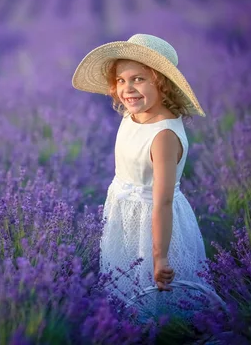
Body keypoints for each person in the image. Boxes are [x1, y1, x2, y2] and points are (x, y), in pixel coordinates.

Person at [71, 33, 213, 323]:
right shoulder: (132, 116)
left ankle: (171, 331)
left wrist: (160, 256)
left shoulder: (163, 135)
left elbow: (161, 201)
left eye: (138, 79)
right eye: (121, 81)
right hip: (124, 215)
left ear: (162, 83)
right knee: (125, 282)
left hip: (154, 222)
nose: (127, 89)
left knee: (156, 290)